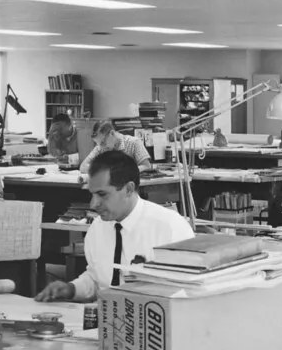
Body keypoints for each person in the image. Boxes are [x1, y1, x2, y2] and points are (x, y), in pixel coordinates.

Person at [35, 151, 193, 303]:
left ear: (129, 189)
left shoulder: (170, 229)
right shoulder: (98, 227)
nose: (93, 204)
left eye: (102, 194)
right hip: (107, 321)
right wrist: (72, 289)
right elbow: (98, 279)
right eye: (92, 194)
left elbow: (185, 294)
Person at [78, 120, 151, 173]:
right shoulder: (100, 147)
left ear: (112, 133)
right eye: (98, 144)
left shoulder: (134, 143)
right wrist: (104, 169)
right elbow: (83, 167)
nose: (101, 147)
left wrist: (126, 171)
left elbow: (147, 166)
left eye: (103, 142)